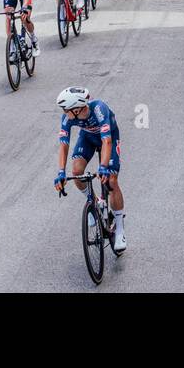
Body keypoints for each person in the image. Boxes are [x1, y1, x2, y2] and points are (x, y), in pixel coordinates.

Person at [53, 86, 125, 253]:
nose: (64, 112)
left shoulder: (99, 109)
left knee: (112, 180)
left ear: (77, 109)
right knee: (76, 172)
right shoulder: (68, 118)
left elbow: (106, 141)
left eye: (66, 109)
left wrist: (103, 167)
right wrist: (60, 172)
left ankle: (120, 227)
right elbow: (64, 145)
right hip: (88, 138)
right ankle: (94, 202)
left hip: (109, 139)